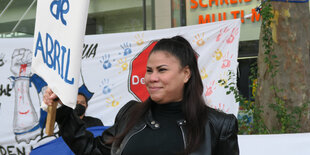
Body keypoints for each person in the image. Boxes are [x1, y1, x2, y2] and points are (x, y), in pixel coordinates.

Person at [44, 36, 239, 155]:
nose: (152, 78)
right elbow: (92, 151)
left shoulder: (218, 125)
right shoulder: (131, 114)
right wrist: (62, 110)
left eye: (162, 70)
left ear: (186, 74)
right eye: (149, 70)